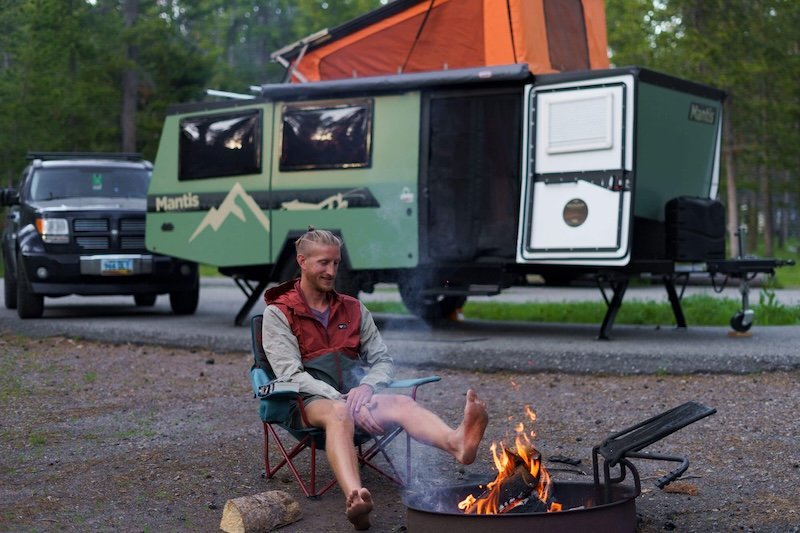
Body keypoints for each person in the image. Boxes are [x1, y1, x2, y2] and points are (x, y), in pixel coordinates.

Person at [262, 229, 489, 530]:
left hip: (355, 397)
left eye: (336, 263)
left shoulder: (354, 309)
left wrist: (367, 387)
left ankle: (458, 443)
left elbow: (382, 360)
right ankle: (355, 498)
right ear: (302, 261)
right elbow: (290, 374)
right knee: (339, 412)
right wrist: (344, 399)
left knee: (400, 403)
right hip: (305, 401)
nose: (331, 271)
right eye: (323, 263)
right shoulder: (279, 313)